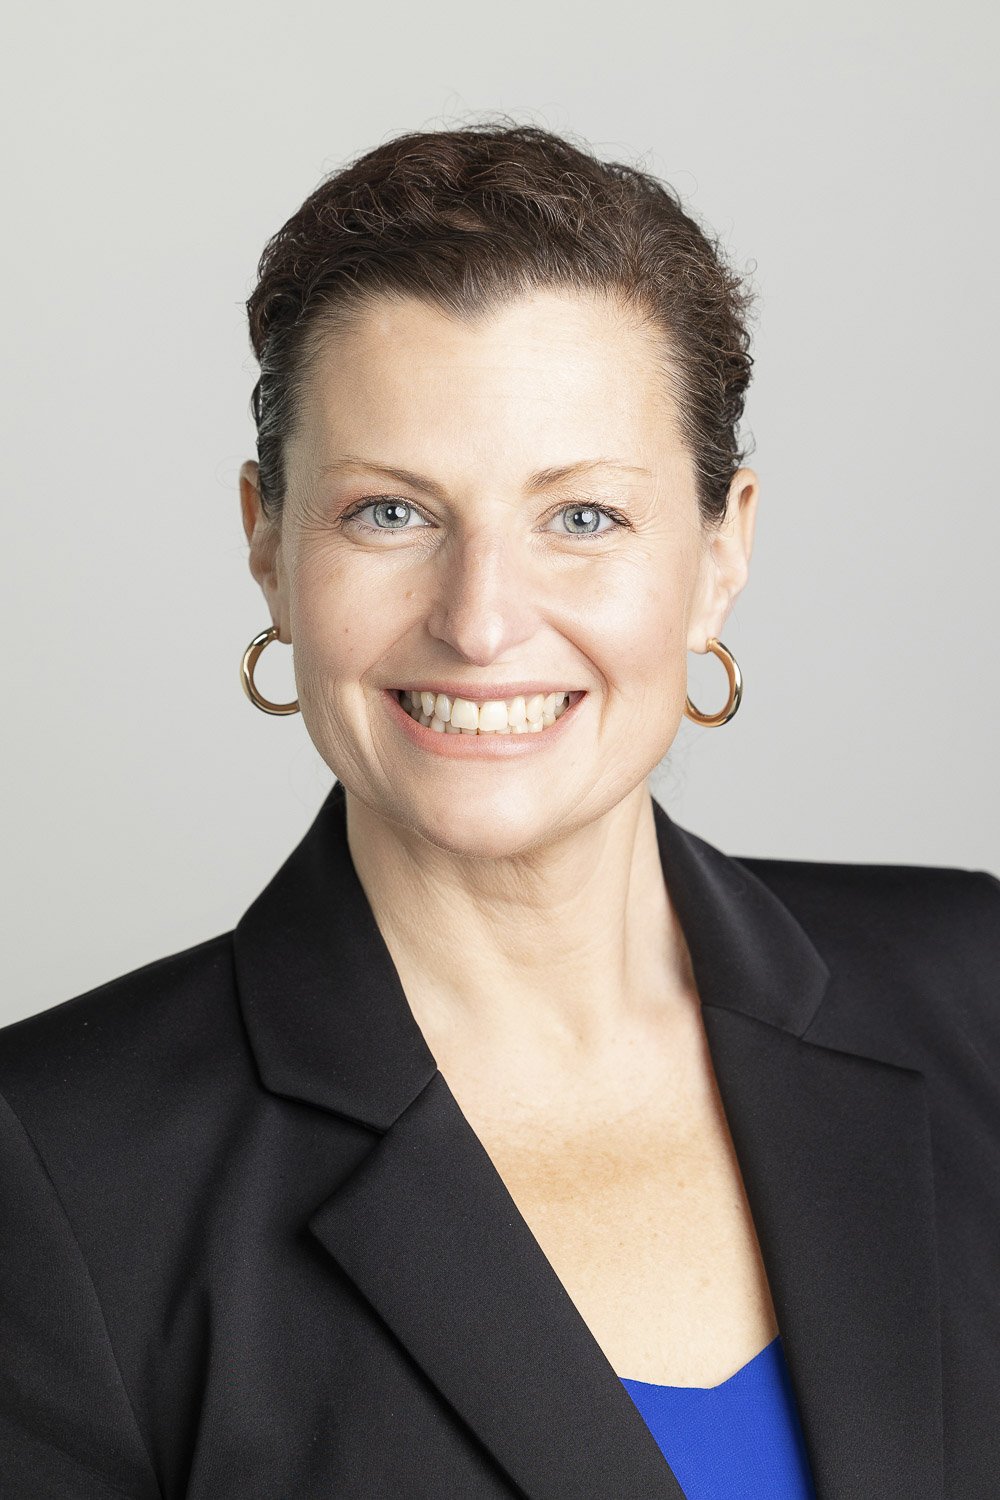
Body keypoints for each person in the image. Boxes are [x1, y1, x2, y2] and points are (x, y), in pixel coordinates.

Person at [1, 120, 997, 1500]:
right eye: (390, 514)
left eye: (581, 516)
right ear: (266, 542)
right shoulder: (51, 1169)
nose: (479, 622)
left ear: (722, 552)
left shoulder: (976, 991)